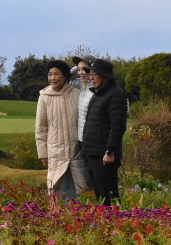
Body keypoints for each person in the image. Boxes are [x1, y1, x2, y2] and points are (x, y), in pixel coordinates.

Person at [79, 58, 128, 204]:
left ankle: (115, 217)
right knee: (99, 194)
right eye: (90, 74)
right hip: (92, 151)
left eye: (95, 74)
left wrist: (110, 151)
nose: (91, 78)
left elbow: (118, 126)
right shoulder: (99, 93)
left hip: (104, 154)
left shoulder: (116, 94)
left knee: (109, 194)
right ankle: (103, 218)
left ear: (105, 76)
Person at [34, 60, 80, 199]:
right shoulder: (44, 97)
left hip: (76, 151)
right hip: (55, 152)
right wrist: (42, 153)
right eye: (50, 74)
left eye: (56, 74)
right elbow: (40, 127)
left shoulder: (77, 94)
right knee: (58, 190)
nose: (52, 78)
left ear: (65, 75)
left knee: (80, 189)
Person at [68, 56, 93, 197]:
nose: (81, 72)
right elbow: (65, 78)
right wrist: (76, 69)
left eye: (85, 69)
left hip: (95, 141)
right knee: (84, 177)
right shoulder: (80, 86)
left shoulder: (98, 88)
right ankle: (87, 203)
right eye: (79, 69)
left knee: (96, 177)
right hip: (81, 140)